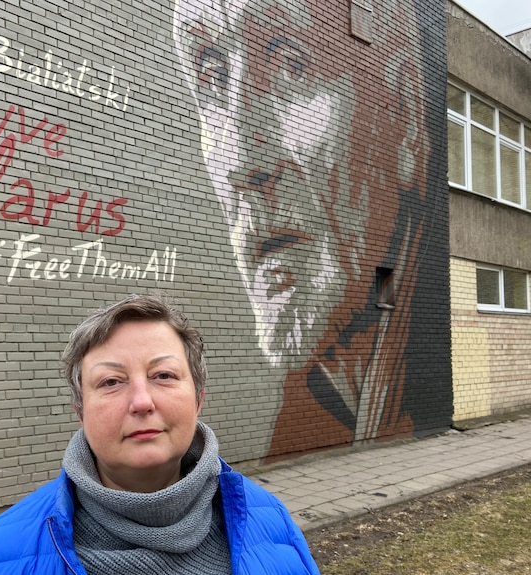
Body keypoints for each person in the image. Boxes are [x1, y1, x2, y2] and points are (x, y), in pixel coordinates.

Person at [172, 0, 431, 456]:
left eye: (292, 67)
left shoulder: (413, 359)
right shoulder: (316, 391)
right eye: (211, 77)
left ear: (405, 117)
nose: (242, 163)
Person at [0, 293, 320, 574]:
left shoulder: (271, 522)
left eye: (163, 375)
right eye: (111, 381)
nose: (142, 402)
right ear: (80, 412)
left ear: (198, 400)